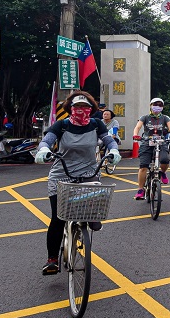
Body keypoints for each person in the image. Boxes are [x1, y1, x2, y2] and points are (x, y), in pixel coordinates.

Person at [34, 91, 120, 275]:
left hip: (88, 173)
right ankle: (52, 260)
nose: (81, 110)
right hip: (61, 174)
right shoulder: (62, 125)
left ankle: (91, 216)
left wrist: (113, 151)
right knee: (58, 219)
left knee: (93, 204)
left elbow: (107, 140)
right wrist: (43, 149)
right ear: (70, 109)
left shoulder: (97, 124)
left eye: (86, 107)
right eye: (77, 107)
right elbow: (47, 140)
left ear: (91, 109)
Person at [131, 98, 170, 199]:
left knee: (165, 160)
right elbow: (138, 127)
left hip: (160, 142)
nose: (157, 107)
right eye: (155, 105)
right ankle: (141, 189)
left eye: (160, 105)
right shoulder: (145, 117)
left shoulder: (165, 118)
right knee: (143, 166)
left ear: (162, 107)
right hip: (146, 142)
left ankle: (162, 173)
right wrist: (135, 135)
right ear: (150, 105)